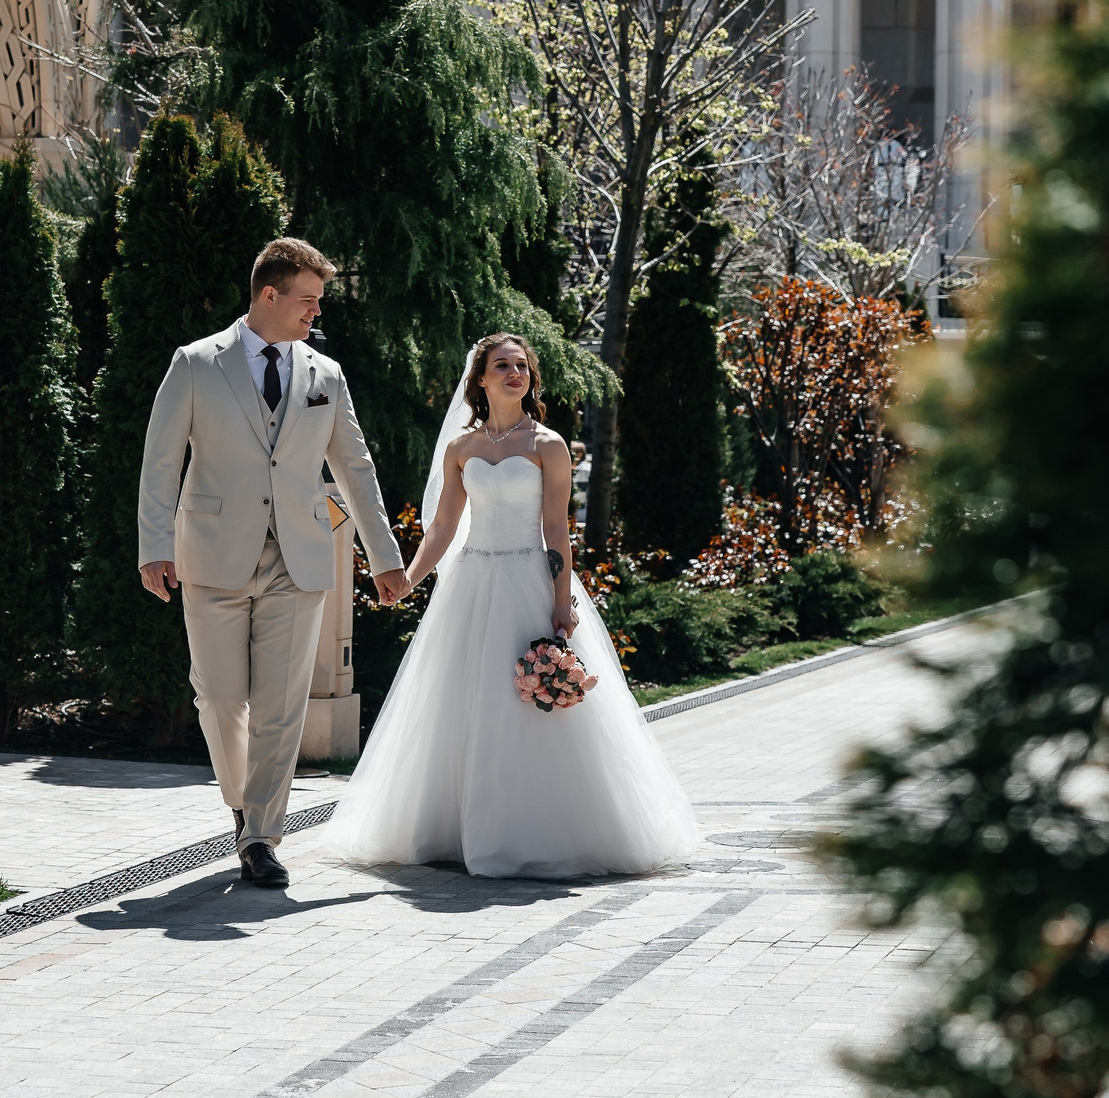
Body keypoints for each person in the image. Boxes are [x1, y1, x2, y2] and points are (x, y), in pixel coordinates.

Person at [326, 334, 701, 878]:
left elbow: (556, 526)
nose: (514, 373)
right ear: (480, 378)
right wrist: (407, 580)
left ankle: (539, 828)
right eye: (502, 365)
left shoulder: (547, 445)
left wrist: (561, 600)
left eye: (521, 366)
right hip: (473, 582)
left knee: (529, 706)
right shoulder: (462, 448)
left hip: (530, 578)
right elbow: (445, 527)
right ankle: (456, 829)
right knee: (464, 703)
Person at [137, 238, 411, 888]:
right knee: (221, 698)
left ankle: (261, 835)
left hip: (300, 556)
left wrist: (384, 557)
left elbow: (356, 468)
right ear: (269, 294)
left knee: (282, 704)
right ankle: (242, 801)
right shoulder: (197, 363)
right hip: (213, 553)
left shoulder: (325, 375)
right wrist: (154, 544)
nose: (315, 312)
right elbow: (160, 460)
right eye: (307, 299)